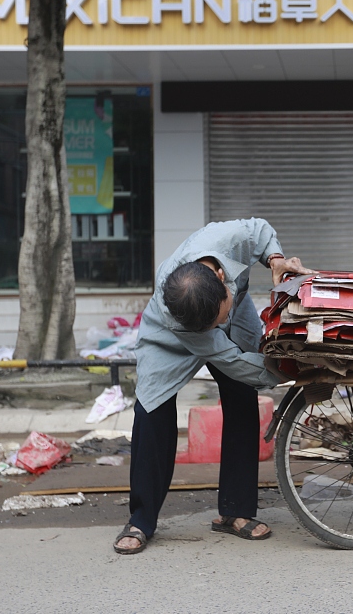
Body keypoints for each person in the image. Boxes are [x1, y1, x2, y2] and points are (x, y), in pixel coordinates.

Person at [113, 218, 312, 554]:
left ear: (222, 278)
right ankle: (141, 519)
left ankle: (235, 511)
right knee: (151, 411)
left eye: (221, 314)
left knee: (241, 396)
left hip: (236, 311)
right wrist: (292, 373)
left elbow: (260, 230)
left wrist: (276, 260)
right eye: (216, 322)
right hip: (169, 340)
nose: (220, 323)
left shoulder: (228, 238)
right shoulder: (179, 314)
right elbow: (229, 359)